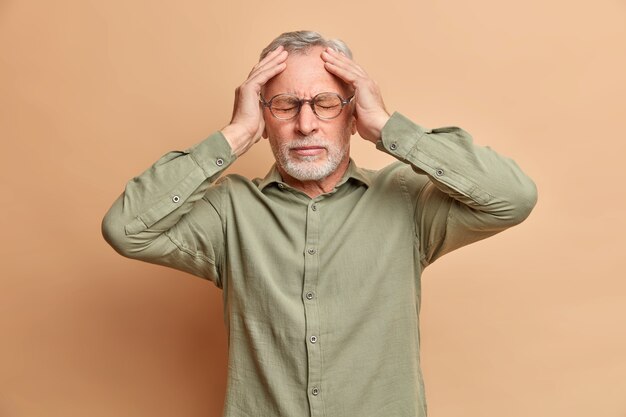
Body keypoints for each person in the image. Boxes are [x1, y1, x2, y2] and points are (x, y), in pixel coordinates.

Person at [102, 30, 537, 417]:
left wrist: (387, 126)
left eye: (326, 104)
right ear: (264, 120)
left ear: (352, 115)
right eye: (285, 105)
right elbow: (126, 228)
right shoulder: (229, 210)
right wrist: (233, 135)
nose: (305, 124)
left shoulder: (406, 199)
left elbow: (512, 198)